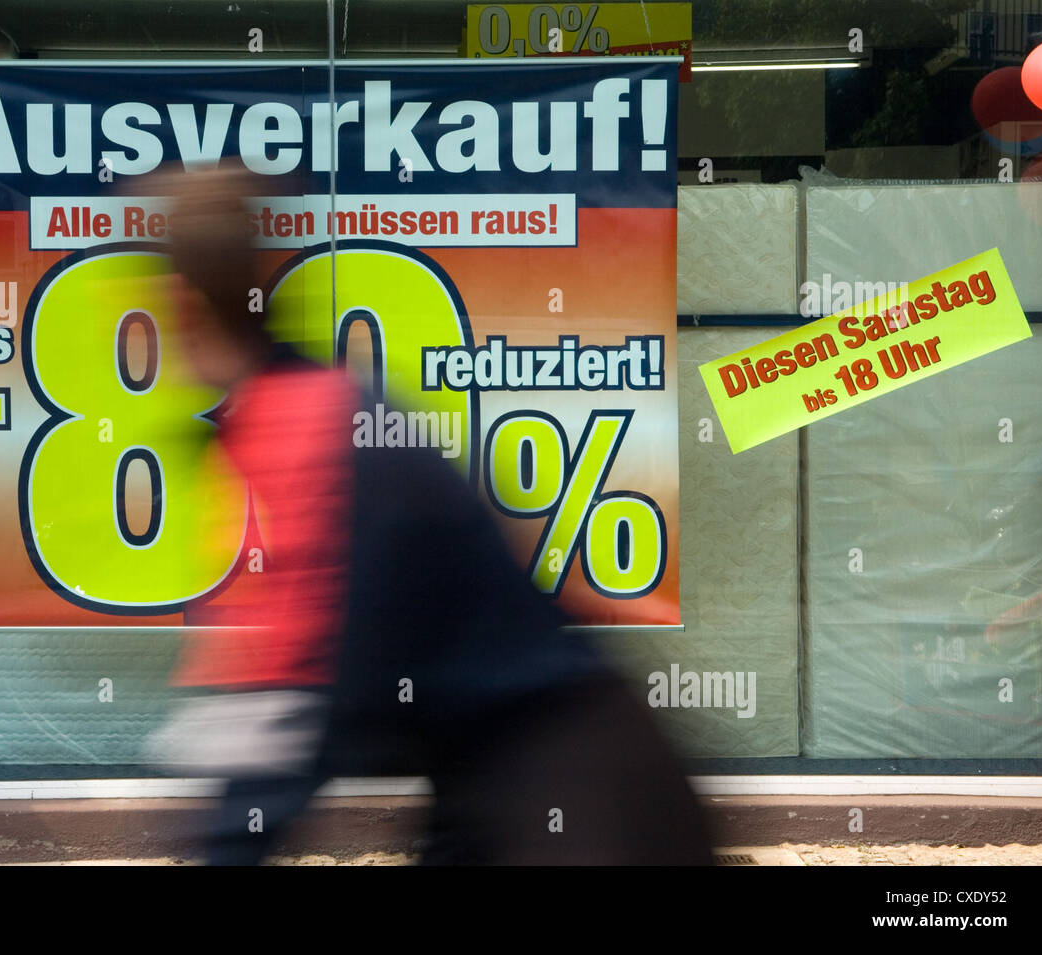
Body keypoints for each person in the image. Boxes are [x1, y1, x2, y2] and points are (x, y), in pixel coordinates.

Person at [153, 163, 712, 865]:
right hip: (529, 783)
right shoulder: (310, 413)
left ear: (182, 302)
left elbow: (294, 717)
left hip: (584, 803)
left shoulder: (303, 429)